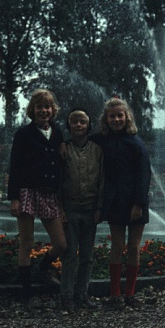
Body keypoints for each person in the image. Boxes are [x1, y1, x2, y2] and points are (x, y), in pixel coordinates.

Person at [90, 96, 151, 309]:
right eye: (112, 116)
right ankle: (115, 294)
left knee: (133, 247)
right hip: (115, 201)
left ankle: (130, 294)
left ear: (127, 117)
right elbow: (82, 143)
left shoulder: (136, 143)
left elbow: (144, 176)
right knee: (116, 246)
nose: (116, 119)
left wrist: (139, 204)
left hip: (135, 202)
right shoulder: (101, 141)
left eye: (120, 115)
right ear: (106, 119)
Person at [7, 89, 67, 305]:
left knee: (61, 244)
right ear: (33, 110)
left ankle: (43, 269)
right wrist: (14, 198)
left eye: (48, 106)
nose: (44, 110)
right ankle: (26, 292)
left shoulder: (58, 133)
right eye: (40, 106)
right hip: (26, 192)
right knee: (27, 242)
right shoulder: (23, 134)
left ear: (53, 110)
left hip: (49, 192)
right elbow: (14, 167)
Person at [59, 108, 104, 312]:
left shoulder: (97, 149)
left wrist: (99, 207)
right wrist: (59, 208)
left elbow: (102, 180)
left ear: (88, 126)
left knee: (87, 255)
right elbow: (58, 181)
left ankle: (82, 294)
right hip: (69, 208)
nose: (78, 125)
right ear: (69, 126)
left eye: (82, 122)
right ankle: (66, 296)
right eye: (74, 122)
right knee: (70, 254)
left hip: (90, 208)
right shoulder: (63, 149)